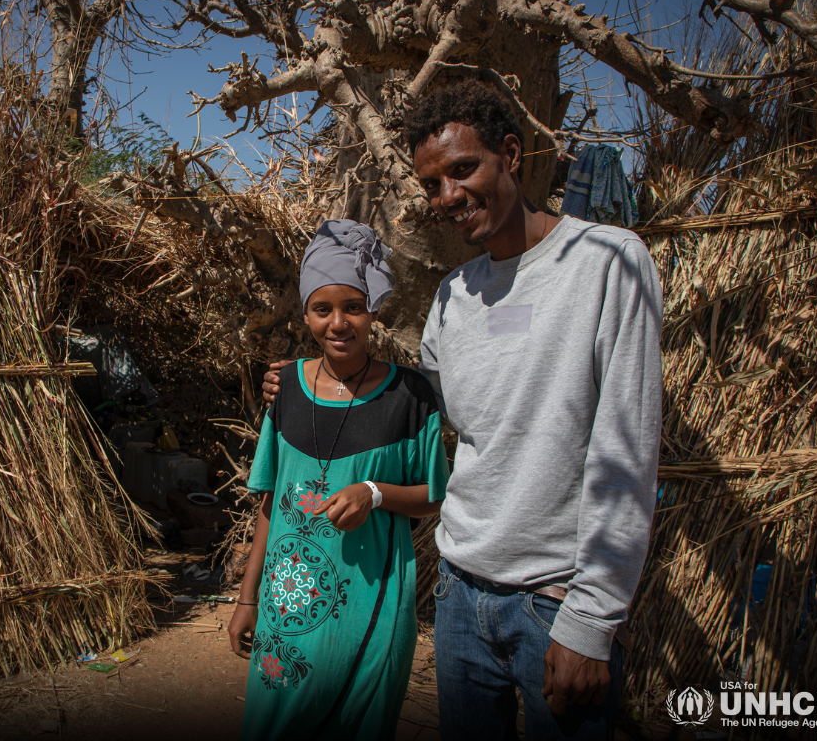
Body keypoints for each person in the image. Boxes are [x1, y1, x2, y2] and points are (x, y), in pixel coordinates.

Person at [263, 79, 663, 740]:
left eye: (463, 169)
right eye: (432, 184)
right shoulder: (455, 297)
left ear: (510, 153)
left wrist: (593, 620)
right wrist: (300, 380)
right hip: (460, 597)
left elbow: (628, 450)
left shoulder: (606, 262)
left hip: (554, 602)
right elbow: (415, 406)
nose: (449, 196)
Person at [229, 219, 449, 741]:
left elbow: (433, 496)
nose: (339, 323)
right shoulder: (283, 389)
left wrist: (374, 494)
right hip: (290, 608)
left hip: (374, 603)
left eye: (353, 307)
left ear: (373, 310)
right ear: (305, 313)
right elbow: (270, 504)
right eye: (322, 309)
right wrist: (247, 597)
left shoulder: (411, 398)